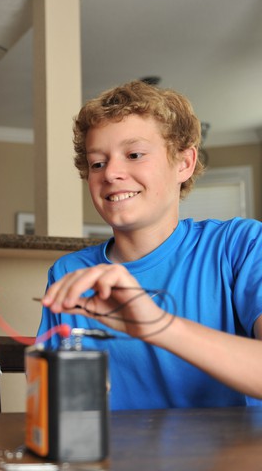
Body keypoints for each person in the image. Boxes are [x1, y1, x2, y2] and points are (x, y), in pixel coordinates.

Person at [36, 80, 262, 410]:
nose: (111, 172)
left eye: (134, 154)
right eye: (97, 162)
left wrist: (157, 325)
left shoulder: (240, 245)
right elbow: (54, 407)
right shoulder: (69, 273)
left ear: (184, 163)